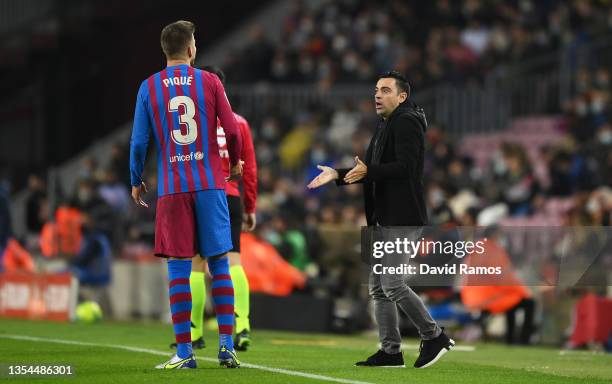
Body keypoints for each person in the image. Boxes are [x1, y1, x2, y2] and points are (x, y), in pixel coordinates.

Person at [308, 71, 454, 368]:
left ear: (402, 96)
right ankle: (390, 352)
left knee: (392, 283)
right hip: (383, 218)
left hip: (402, 217)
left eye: (385, 90)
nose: (377, 94)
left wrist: (368, 172)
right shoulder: (387, 123)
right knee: (378, 287)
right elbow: (371, 170)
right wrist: (338, 174)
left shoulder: (406, 122)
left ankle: (434, 335)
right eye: (376, 89)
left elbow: (406, 168)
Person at [129, 20, 243, 370]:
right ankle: (226, 346)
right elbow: (232, 128)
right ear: (191, 49)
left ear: (165, 50)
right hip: (211, 184)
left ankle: (184, 352)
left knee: (179, 269)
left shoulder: (149, 87)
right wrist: (235, 164)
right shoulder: (210, 81)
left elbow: (138, 142)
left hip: (173, 187)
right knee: (219, 265)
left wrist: (136, 179)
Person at [169, 65, 258, 352]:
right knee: (233, 263)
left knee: (195, 266)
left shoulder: (190, 123)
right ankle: (242, 326)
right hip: (230, 196)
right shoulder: (239, 122)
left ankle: (194, 332)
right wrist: (249, 207)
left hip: (198, 195)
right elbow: (249, 169)